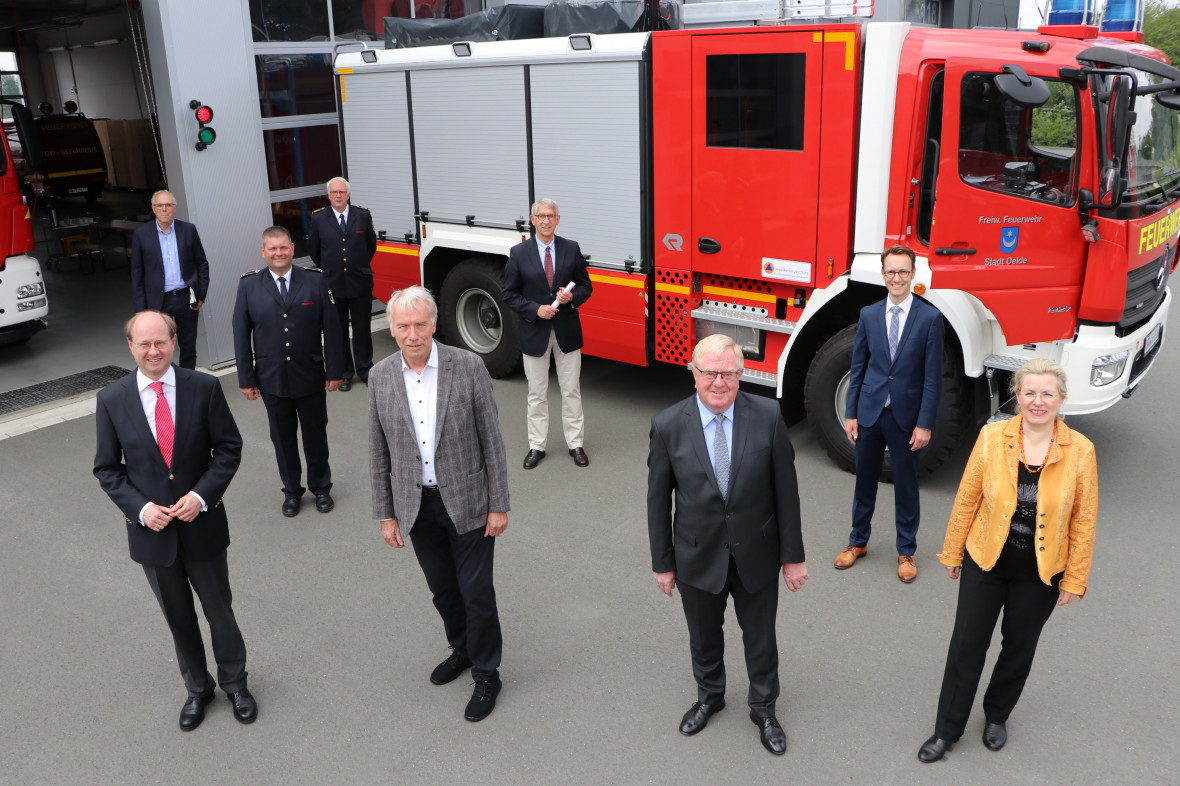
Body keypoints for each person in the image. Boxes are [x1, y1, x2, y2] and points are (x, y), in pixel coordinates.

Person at [917, 358, 1097, 762]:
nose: (1038, 401)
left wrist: (1074, 579)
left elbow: (1084, 521)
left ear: (1061, 399)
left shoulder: (1081, 451)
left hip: (1042, 571)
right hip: (986, 559)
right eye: (1029, 392)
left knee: (1018, 647)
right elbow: (967, 497)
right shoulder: (992, 437)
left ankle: (997, 715)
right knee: (966, 645)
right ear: (1017, 397)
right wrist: (952, 550)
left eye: (1047, 393)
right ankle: (947, 730)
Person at [93, 311, 256, 731]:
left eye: (160, 342)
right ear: (130, 346)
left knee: (219, 611)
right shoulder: (112, 399)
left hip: (202, 526)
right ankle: (198, 689)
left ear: (174, 341)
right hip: (153, 535)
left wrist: (201, 496)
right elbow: (107, 469)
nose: (153, 351)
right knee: (178, 617)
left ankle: (235, 684)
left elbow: (228, 449)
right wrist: (141, 509)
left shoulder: (203, 387)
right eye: (144, 344)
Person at [647, 334, 808, 756]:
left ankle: (764, 708)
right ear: (694, 375)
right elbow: (657, 501)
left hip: (757, 552)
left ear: (741, 374)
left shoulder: (769, 416)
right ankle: (710, 696)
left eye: (729, 373)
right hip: (696, 555)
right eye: (710, 373)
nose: (719, 382)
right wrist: (663, 564)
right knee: (703, 636)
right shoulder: (667, 425)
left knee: (760, 638)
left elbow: (786, 493)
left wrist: (793, 558)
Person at [368, 286, 511, 722]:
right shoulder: (380, 376)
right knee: (443, 589)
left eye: (420, 324)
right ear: (392, 329)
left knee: (476, 592)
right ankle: (462, 649)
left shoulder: (467, 366)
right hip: (416, 507)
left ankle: (488, 672)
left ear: (434, 324)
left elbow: (492, 440)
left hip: (468, 501)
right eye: (403, 326)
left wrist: (498, 504)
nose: (413, 334)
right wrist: (386, 513)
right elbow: (378, 450)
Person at [835, 244, 943, 582]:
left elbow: (932, 378)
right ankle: (857, 542)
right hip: (869, 412)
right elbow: (859, 366)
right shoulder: (869, 314)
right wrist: (851, 413)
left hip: (906, 417)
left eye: (903, 271)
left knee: (906, 486)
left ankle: (906, 551)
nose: (897, 277)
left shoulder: (930, 318)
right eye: (891, 271)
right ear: (883, 275)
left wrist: (924, 424)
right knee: (863, 481)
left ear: (913, 274)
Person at [232, 226, 343, 517]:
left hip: (310, 374)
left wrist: (335, 370)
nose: (279, 253)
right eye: (273, 249)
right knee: (282, 439)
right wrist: (246, 378)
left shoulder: (315, 281)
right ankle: (292, 492)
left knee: (315, 436)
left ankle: (321, 488)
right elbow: (241, 334)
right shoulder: (248, 286)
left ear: (293, 249)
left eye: (283, 248)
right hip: (271, 379)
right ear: (263, 251)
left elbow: (332, 328)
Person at [501, 198, 593, 469]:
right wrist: (534, 309)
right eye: (540, 216)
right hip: (534, 332)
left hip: (567, 332)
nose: (545, 220)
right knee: (537, 393)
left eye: (550, 216)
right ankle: (537, 446)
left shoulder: (571, 248)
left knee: (571, 391)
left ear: (557, 219)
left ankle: (575, 444)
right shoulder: (519, 253)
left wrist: (571, 297)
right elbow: (508, 294)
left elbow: (586, 286)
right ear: (532, 220)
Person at [307, 177, 378, 392]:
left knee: (362, 330)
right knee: (336, 331)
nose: (338, 195)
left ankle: (365, 370)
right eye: (334, 192)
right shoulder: (319, 219)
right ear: (328, 195)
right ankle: (345, 373)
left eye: (342, 192)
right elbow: (314, 250)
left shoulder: (362, 215)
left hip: (359, 281)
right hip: (332, 285)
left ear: (348, 194)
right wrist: (330, 270)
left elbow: (370, 246)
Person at [130, 190, 210, 369]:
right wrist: (141, 308)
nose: (164, 209)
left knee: (189, 346)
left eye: (169, 205)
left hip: (186, 298)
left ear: (175, 208)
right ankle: (166, 381)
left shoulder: (188, 230)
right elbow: (137, 272)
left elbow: (202, 263)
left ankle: (186, 382)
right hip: (157, 301)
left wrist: (201, 294)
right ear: (153, 208)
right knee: (159, 346)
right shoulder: (141, 234)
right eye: (160, 205)